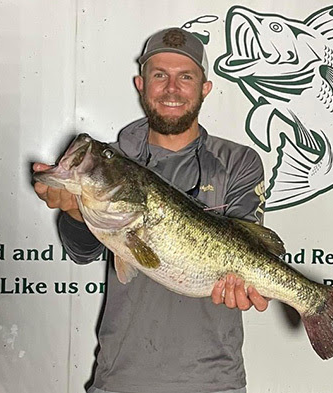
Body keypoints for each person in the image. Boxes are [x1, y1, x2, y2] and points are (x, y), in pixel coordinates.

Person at [34, 27, 268, 393]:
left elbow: (252, 247)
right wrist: (75, 210)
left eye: (185, 77)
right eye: (160, 76)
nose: (171, 89)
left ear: (205, 88)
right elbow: (82, 252)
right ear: (141, 84)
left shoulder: (238, 161)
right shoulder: (114, 160)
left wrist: (252, 285)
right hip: (121, 378)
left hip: (214, 381)